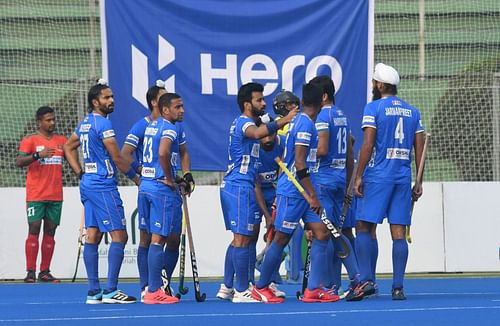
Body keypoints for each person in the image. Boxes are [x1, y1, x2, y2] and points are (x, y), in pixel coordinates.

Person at [252, 83, 340, 303]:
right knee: (281, 238)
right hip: (293, 191)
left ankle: (313, 289)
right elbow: (300, 163)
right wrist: (312, 195)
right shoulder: (304, 124)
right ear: (322, 100)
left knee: (321, 233)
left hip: (305, 191)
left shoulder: (306, 122)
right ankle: (260, 287)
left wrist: (311, 194)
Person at [218, 82, 297, 303]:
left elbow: (265, 129)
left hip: (244, 186)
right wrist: (285, 119)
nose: (264, 103)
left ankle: (235, 287)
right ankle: (241, 289)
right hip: (239, 186)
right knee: (242, 239)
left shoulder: (253, 121)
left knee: (245, 238)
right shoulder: (244, 123)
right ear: (247, 104)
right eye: (259, 100)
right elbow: (258, 132)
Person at [64, 79, 140, 304]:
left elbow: (68, 147)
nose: (111, 100)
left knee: (94, 235)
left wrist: (79, 171)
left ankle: (93, 291)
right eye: (107, 98)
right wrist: (136, 178)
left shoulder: (85, 123)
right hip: (102, 185)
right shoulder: (104, 125)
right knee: (120, 235)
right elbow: (117, 157)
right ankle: (111, 291)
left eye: (112, 97)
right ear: (95, 102)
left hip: (88, 183)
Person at [354, 63, 425, 300]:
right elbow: (420, 150)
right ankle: (397, 287)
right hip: (402, 178)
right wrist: (419, 181)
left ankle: (366, 281)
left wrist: (358, 175)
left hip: (377, 176)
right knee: (398, 232)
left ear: (380, 85)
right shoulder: (413, 111)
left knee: (364, 226)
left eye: (375, 82)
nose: (374, 85)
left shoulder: (373, 108)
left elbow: (367, 144)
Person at [310, 75, 364, 301]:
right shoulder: (342, 115)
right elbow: (351, 152)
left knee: (328, 233)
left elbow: (321, 150)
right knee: (335, 233)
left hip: (324, 181)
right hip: (340, 180)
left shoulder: (323, 117)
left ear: (323, 96)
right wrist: (349, 184)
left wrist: (300, 155)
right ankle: (333, 284)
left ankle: (356, 280)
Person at [139, 92, 191, 304]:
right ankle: (153, 290)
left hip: (146, 185)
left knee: (161, 237)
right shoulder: (169, 128)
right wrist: (170, 178)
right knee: (158, 238)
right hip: (161, 188)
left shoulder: (152, 125)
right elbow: (163, 153)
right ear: (166, 110)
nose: (182, 110)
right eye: (178, 107)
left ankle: (156, 286)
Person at [120, 80, 165, 299]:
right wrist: (137, 176)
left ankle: (160, 285)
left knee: (169, 238)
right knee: (148, 237)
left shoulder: (171, 125)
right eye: (164, 96)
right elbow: (124, 155)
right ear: (155, 102)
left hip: (168, 190)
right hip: (149, 188)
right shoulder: (142, 125)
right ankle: (146, 287)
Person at [15, 106, 67, 283]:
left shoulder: (62, 141)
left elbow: (72, 158)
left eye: (53, 119)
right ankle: (30, 271)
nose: (52, 122)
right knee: (34, 228)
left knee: (51, 231)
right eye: (48, 120)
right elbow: (19, 161)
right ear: (39, 122)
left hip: (55, 195)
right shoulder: (30, 140)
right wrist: (38, 155)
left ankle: (45, 271)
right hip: (36, 195)